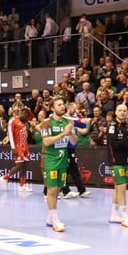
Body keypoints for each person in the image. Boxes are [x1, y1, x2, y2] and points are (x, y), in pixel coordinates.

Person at [39, 97, 74, 232]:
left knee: (58, 189)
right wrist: (63, 134)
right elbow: (46, 142)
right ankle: (55, 220)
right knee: (52, 190)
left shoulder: (67, 122)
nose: (62, 107)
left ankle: (50, 218)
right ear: (53, 108)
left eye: (63, 104)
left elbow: (74, 141)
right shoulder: (46, 123)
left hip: (62, 160)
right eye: (59, 105)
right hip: (50, 160)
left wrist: (70, 133)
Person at [106, 104, 128, 227]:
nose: (122, 112)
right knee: (122, 188)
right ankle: (125, 217)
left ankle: (114, 214)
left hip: (126, 160)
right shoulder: (112, 126)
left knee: (118, 188)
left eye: (124, 111)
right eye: (120, 110)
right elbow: (113, 145)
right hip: (116, 161)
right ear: (115, 112)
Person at [0, 105, 32, 192]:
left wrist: (27, 110)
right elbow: (10, 134)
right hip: (18, 147)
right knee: (19, 166)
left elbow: (31, 116)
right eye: (25, 115)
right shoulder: (12, 121)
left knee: (25, 166)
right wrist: (13, 147)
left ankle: (22, 185)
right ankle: (4, 178)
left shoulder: (23, 122)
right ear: (21, 113)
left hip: (25, 146)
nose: (27, 117)